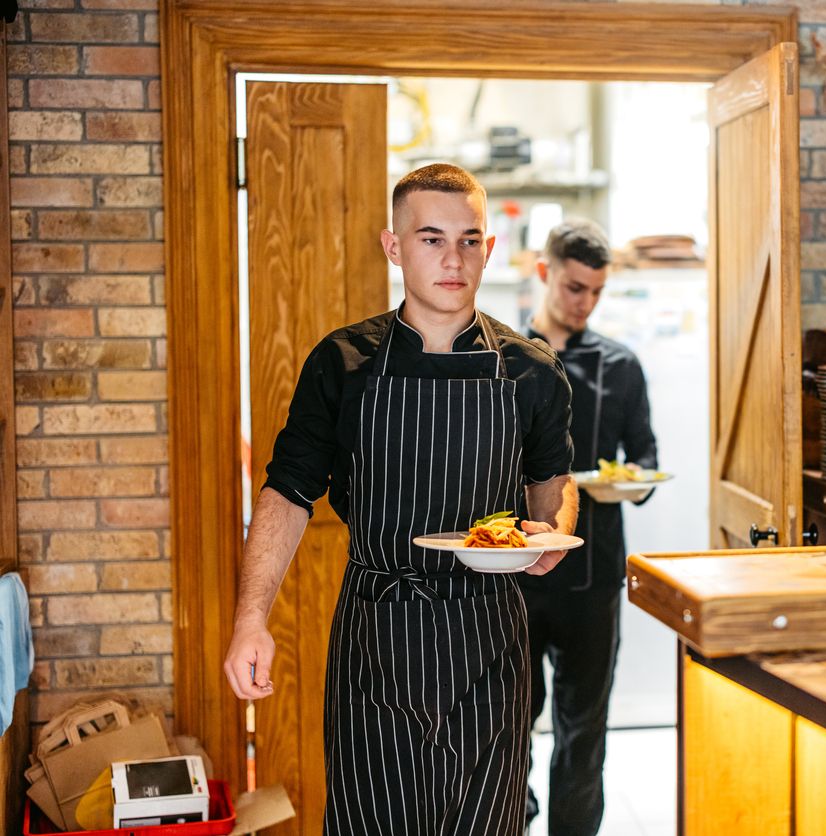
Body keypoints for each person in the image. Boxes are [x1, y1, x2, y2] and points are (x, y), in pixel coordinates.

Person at [222, 163, 580, 836]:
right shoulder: (343, 362)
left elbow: (553, 487)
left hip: (488, 641)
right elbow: (288, 491)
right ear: (393, 247)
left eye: (470, 240)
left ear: (489, 249)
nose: (454, 258)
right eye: (431, 238)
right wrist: (251, 618)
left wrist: (549, 536)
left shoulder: (530, 371)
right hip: (377, 638)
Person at [521, 220, 658, 835]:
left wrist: (632, 479)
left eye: (596, 292)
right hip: (512, 580)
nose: (585, 303)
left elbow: (647, 462)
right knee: (505, 726)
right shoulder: (498, 359)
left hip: (595, 578)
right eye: (575, 287)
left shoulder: (622, 366)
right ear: (545, 272)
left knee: (586, 730)